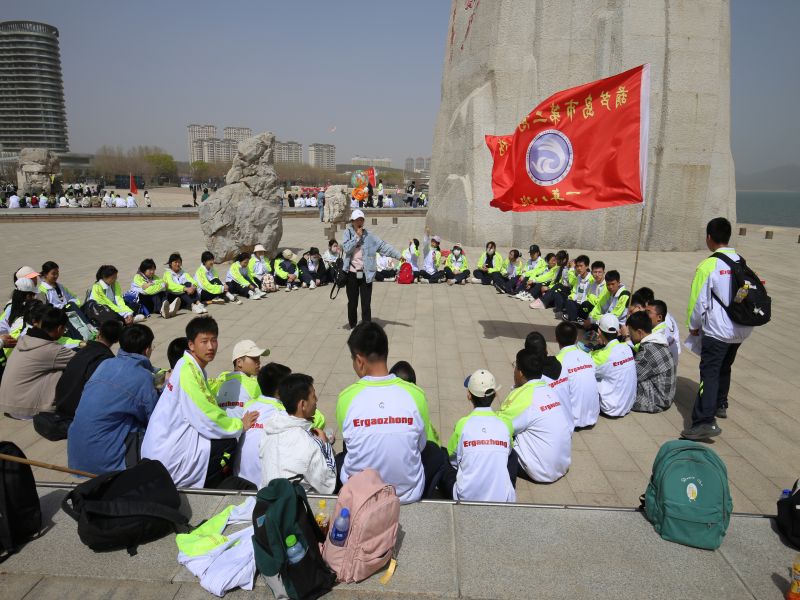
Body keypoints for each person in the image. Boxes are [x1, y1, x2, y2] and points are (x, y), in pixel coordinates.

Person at [141, 316, 259, 489]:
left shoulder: (187, 365)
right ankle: (212, 488)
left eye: (214, 340)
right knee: (229, 441)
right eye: (204, 341)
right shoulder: (188, 371)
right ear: (191, 345)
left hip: (161, 446)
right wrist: (240, 424)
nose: (211, 347)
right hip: (167, 457)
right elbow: (206, 417)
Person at [336, 322, 444, 503]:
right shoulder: (415, 394)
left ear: (359, 360)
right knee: (435, 451)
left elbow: (350, 442)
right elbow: (420, 446)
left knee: (342, 455)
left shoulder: (346, 398)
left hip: (362, 497)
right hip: (407, 495)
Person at [683, 217, 752, 440]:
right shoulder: (740, 260)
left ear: (709, 237)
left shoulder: (708, 265)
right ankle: (721, 403)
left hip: (718, 330)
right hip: (740, 328)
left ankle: (704, 421)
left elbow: (697, 302)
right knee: (725, 366)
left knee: (710, 372)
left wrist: (693, 326)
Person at [67, 324, 159, 474]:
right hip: (107, 464)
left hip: (77, 456)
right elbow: (154, 418)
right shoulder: (143, 378)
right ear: (147, 349)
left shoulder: (106, 364)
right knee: (151, 428)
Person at [439, 369, 515, 502]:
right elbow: (508, 453)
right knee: (512, 454)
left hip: (465, 497)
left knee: (442, 454)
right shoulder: (506, 424)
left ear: (469, 395)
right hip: (502, 498)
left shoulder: (463, 424)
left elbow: (452, 459)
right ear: (495, 394)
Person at [497, 348, 572, 483]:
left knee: (498, 441)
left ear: (520, 373)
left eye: (515, 367)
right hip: (562, 465)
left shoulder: (523, 397)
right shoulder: (549, 389)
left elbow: (499, 426)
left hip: (540, 470)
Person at [260, 373, 336, 493]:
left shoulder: (268, 431)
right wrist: (325, 445)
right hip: (297, 504)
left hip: (267, 499)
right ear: (302, 404)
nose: (316, 399)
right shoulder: (309, 443)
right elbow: (328, 486)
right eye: (313, 395)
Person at [0, 306, 74, 418]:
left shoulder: (24, 339)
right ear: (59, 329)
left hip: (8, 404)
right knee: (68, 371)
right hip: (25, 411)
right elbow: (82, 361)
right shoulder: (52, 350)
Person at [341, 209, 402, 329]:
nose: (359, 222)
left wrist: (399, 256)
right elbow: (347, 248)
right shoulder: (347, 233)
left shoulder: (370, 236)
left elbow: (384, 246)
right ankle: (353, 325)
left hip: (366, 274)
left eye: (361, 219)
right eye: (357, 220)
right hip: (351, 274)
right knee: (352, 302)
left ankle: (366, 326)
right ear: (352, 221)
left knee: (366, 302)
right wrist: (356, 237)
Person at [53, 319, 123, 421]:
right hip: (76, 411)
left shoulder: (81, 351)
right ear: (117, 340)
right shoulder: (107, 360)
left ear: (99, 333)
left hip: (61, 402)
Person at [627, 311, 676, 414]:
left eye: (631, 333)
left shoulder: (647, 352)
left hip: (656, 401)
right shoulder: (658, 341)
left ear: (640, 332)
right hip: (667, 396)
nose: (630, 337)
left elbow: (630, 377)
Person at [590, 314, 636, 417]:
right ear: (618, 331)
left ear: (599, 332)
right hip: (627, 405)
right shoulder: (627, 348)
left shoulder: (602, 356)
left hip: (610, 407)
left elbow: (585, 369)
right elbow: (629, 343)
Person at [554, 322, 598, 428]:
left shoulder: (557, 363)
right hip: (592, 416)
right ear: (577, 338)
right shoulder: (588, 357)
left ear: (556, 339)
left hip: (570, 420)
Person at [215, 340, 270, 416]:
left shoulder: (219, 381)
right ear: (239, 362)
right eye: (254, 359)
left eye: (258, 358)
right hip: (243, 427)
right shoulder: (254, 385)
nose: (258, 362)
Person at [646, 299, 681, 368]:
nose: (644, 315)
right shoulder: (665, 328)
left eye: (648, 312)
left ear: (659, 317)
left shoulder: (658, 336)